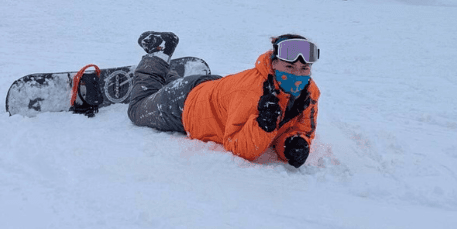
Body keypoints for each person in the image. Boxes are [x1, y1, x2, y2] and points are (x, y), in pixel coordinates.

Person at [126, 32, 320, 168]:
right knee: (136, 110)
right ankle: (158, 51)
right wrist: (264, 124)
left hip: (214, 92)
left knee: (165, 92)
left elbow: (302, 129)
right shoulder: (253, 92)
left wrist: (292, 143)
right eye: (289, 67)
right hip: (186, 104)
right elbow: (237, 146)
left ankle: (170, 77)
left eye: (304, 69)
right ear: (274, 63)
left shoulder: (309, 92)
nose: (297, 75)